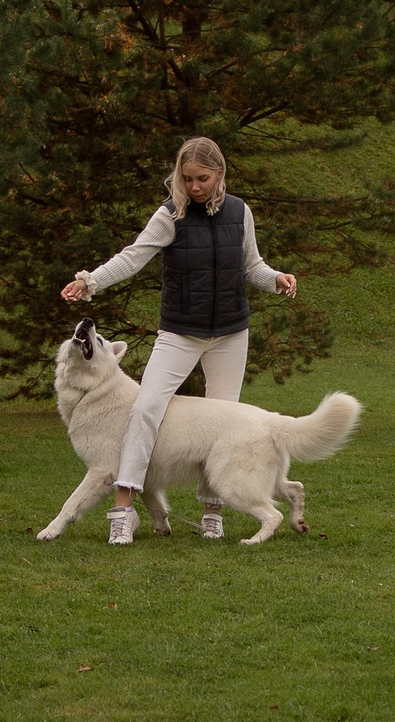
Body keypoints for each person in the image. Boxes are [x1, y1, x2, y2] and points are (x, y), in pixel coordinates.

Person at [61, 136, 296, 544]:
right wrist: (89, 281)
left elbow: (251, 265)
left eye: (202, 178)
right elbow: (133, 256)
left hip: (229, 334)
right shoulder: (170, 215)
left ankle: (212, 513)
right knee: (146, 408)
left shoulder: (240, 212)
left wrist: (275, 279)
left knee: (224, 421)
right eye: (186, 179)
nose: (194, 186)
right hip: (179, 333)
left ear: (219, 174)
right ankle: (123, 509)